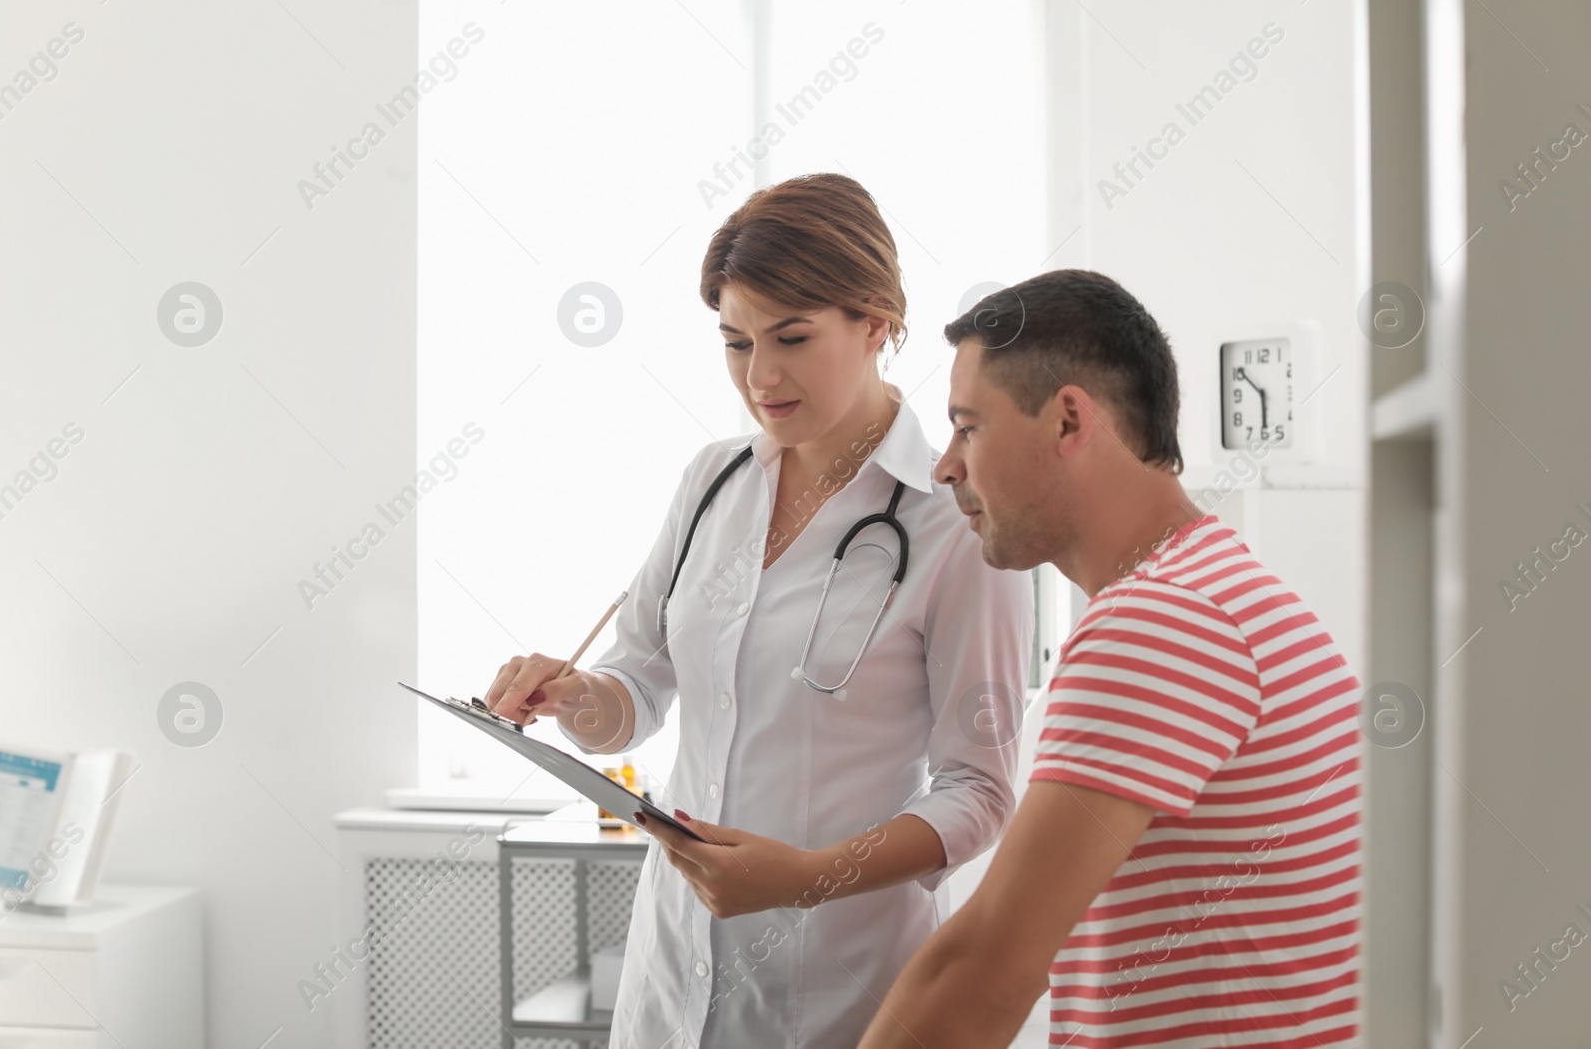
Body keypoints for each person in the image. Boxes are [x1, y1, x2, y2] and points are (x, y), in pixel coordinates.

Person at [484, 173, 1034, 1049]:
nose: (761, 376)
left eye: (792, 337)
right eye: (735, 343)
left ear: (876, 322)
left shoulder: (954, 525)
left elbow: (980, 792)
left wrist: (809, 877)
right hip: (669, 979)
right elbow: (641, 681)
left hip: (834, 993)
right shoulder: (712, 481)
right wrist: (575, 696)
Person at [858, 269, 1363, 1048]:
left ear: (1067, 420)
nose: (945, 466)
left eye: (969, 426)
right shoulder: (1224, 587)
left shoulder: (1159, 623)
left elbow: (989, 967)